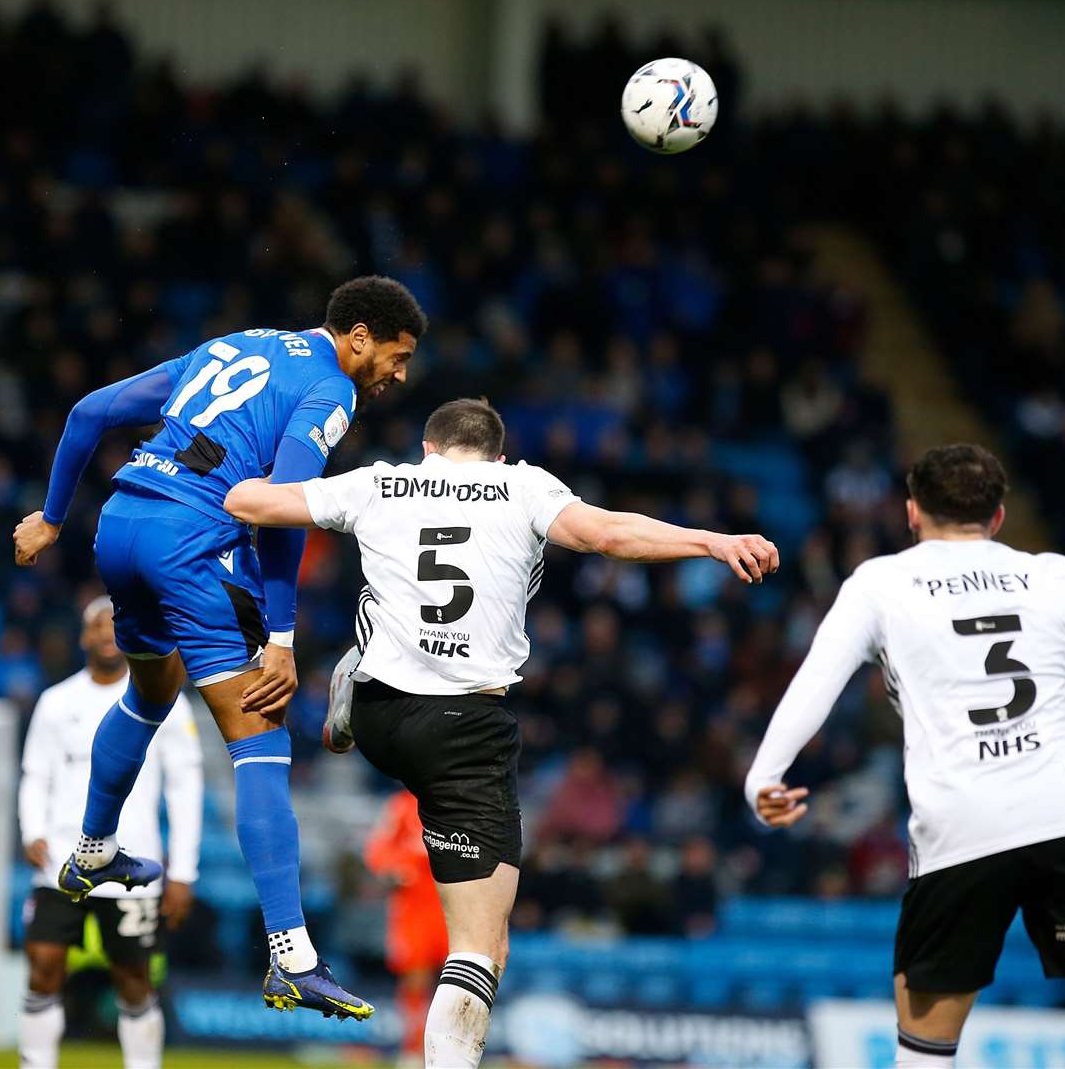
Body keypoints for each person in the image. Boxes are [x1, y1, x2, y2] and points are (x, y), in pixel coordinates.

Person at [224, 398, 778, 1066]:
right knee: (479, 947)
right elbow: (608, 534)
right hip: (464, 729)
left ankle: (354, 681)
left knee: (377, 623)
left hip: (383, 714)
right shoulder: (525, 485)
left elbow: (249, 503)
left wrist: (245, 451)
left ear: (427, 450)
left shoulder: (378, 481)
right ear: (499, 455)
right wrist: (711, 541)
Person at [12, 275, 427, 1017]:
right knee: (260, 736)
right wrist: (281, 638)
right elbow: (282, 511)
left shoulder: (234, 344)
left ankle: (92, 850)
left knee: (148, 694)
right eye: (395, 356)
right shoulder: (331, 391)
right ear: (358, 335)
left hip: (122, 526)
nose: (398, 374)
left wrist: (50, 517)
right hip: (192, 546)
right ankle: (292, 956)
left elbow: (89, 412)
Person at [744, 444, 1065, 1069]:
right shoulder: (1060, 577)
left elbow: (816, 682)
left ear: (912, 513)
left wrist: (764, 777)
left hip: (962, 829)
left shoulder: (882, 583)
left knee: (926, 1050)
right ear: (998, 517)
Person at [17, 597, 202, 1069]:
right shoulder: (56, 701)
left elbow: (186, 786)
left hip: (132, 868)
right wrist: (31, 829)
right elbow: (35, 772)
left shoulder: (164, 700)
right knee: (42, 967)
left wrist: (183, 871)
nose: (106, 633)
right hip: (61, 862)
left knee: (135, 980)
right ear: (82, 637)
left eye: (115, 624)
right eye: (96, 625)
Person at [364, 791, 446, 1068]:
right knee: (416, 977)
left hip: (455, 900)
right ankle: (413, 1049)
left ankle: (452, 1049)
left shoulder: (456, 800)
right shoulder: (401, 805)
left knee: (457, 978)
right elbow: (378, 848)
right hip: (415, 904)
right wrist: (396, 869)